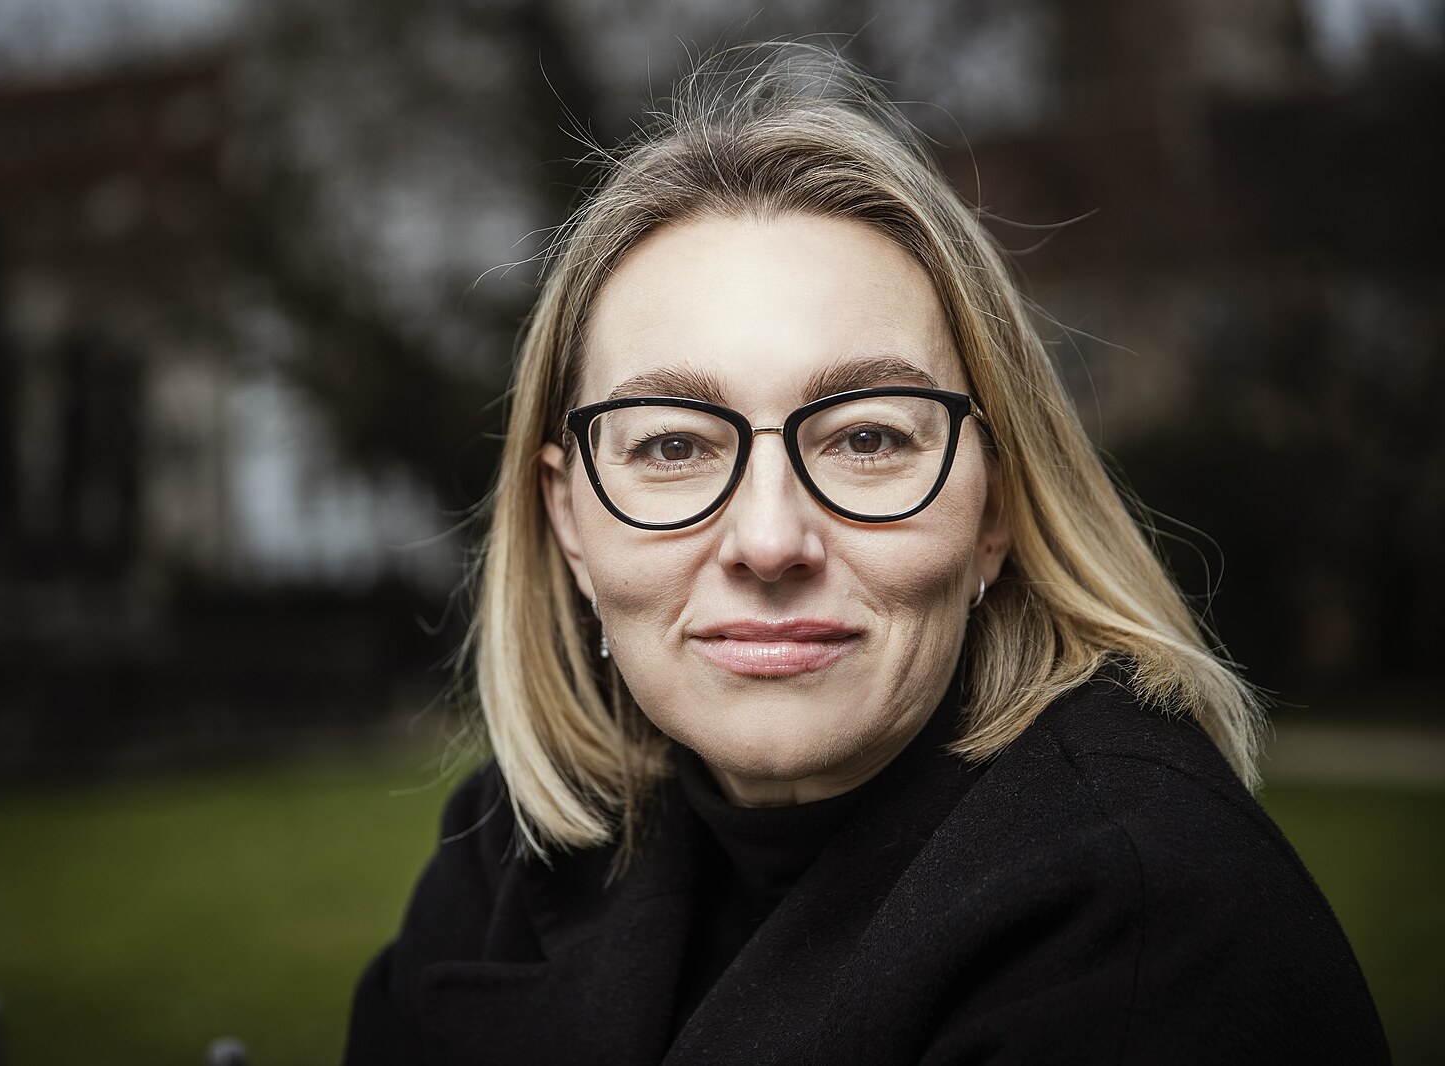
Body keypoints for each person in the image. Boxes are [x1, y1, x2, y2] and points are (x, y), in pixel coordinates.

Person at [343, 43, 1387, 1065]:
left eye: (868, 438)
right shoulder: (512, 851)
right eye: (672, 446)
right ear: (570, 520)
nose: (768, 542)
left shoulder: (1145, 927)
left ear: (994, 509)